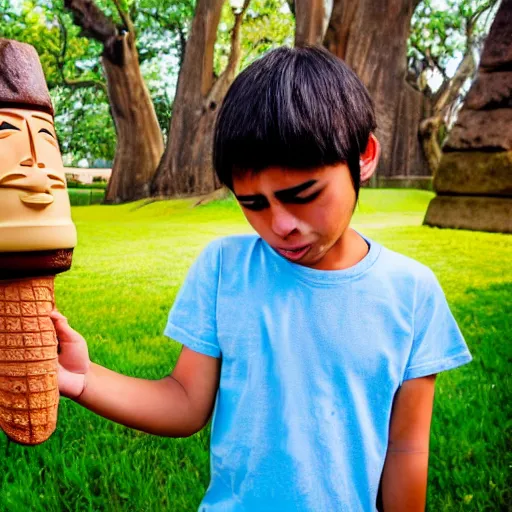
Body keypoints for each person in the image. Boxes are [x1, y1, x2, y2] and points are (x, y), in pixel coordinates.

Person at [51, 46, 472, 511]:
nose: (280, 225)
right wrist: (85, 378)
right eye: (253, 203)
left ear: (364, 155)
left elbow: (407, 451)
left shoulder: (412, 292)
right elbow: (185, 401)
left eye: (303, 195)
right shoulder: (224, 269)